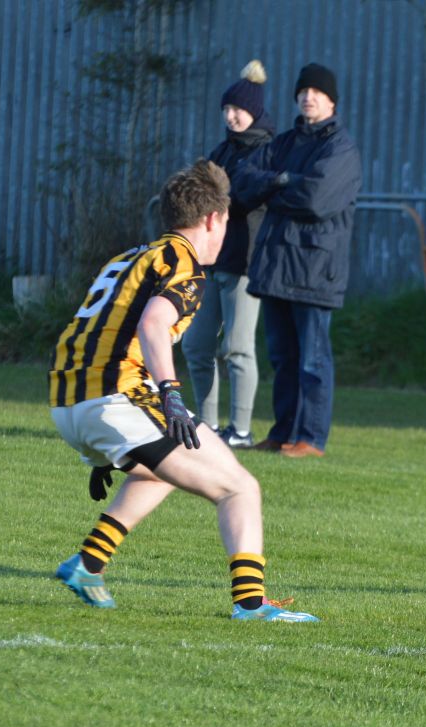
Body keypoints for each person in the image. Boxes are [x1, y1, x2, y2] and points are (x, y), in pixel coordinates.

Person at [48, 159, 317, 623]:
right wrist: (170, 394)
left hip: (69, 402)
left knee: (164, 472)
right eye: (227, 222)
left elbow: (93, 329)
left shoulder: (129, 257)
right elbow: (154, 323)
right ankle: (251, 604)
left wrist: (101, 437)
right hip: (119, 402)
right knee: (240, 489)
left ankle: (87, 564)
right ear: (213, 218)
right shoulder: (185, 266)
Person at [231, 61, 362, 458]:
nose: (309, 97)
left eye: (318, 93)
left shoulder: (341, 148)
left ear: (332, 102)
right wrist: (281, 180)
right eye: (304, 92)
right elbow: (241, 182)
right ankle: (282, 431)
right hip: (275, 267)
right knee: (283, 359)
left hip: (314, 270)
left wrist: (273, 188)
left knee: (313, 360)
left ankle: (311, 438)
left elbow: (317, 200)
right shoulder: (283, 144)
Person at [180, 60, 275, 449]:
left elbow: (249, 194)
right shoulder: (221, 150)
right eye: (226, 110)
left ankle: (240, 430)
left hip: (245, 262)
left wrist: (222, 194)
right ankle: (206, 426)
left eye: (238, 109)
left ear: (255, 110)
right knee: (196, 346)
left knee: (237, 348)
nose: (232, 116)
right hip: (211, 260)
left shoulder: (269, 150)